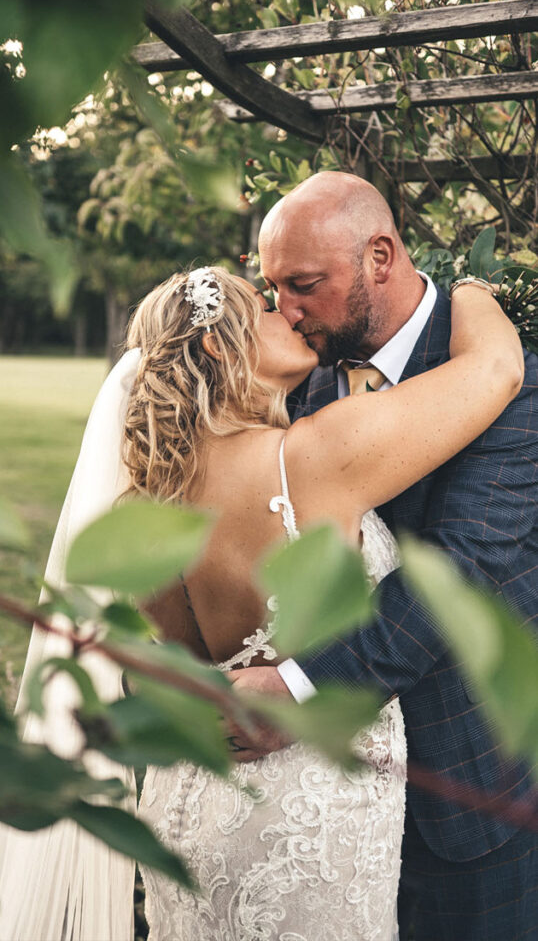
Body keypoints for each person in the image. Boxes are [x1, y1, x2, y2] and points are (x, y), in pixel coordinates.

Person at [0, 258, 522, 941]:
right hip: (306, 831)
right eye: (266, 304)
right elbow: (496, 372)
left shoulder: (137, 507)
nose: (290, 310)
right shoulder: (312, 457)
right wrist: (475, 289)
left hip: (192, 806)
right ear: (218, 343)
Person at [227, 171, 538, 941]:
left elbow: (459, 576)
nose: (285, 312)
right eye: (272, 289)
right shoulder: (299, 386)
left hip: (467, 786)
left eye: (303, 285)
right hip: (331, 812)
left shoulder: (509, 386)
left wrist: (297, 691)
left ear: (380, 256)